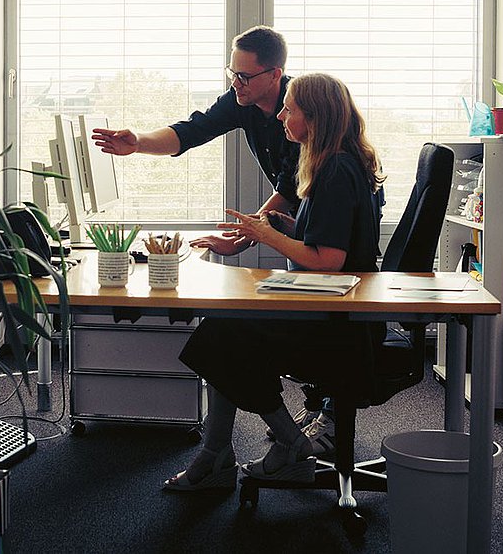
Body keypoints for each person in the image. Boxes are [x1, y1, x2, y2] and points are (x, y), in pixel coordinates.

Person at [163, 72, 386, 491]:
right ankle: (223, 455)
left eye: (291, 109)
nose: (281, 115)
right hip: (333, 309)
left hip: (338, 323)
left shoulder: (336, 170)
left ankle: (283, 446)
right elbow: (325, 238)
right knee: (224, 332)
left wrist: (269, 236)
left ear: (314, 118)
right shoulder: (335, 161)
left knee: (221, 339)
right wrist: (279, 224)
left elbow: (328, 260)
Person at [91, 25, 300, 256]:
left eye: (244, 77)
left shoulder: (301, 111)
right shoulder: (240, 99)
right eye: (232, 73)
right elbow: (192, 130)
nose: (235, 83)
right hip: (301, 224)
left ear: (274, 75)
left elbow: (288, 191)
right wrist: (139, 142)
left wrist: (238, 240)